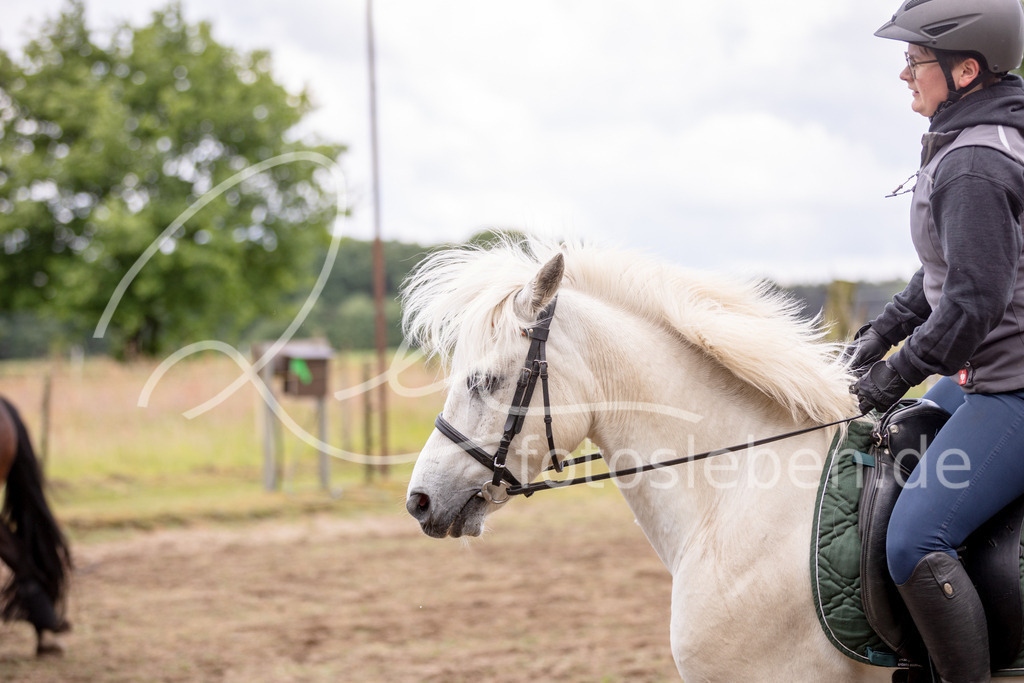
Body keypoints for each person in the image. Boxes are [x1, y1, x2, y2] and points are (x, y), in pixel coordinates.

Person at [848, 0, 1024, 680]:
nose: (903, 75)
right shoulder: (976, 140)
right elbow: (940, 276)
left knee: (914, 539)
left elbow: (971, 305)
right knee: (890, 435)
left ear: (966, 69)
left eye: (914, 60)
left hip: (1013, 384)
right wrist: (877, 336)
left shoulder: (975, 162)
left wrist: (892, 374)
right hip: (995, 371)